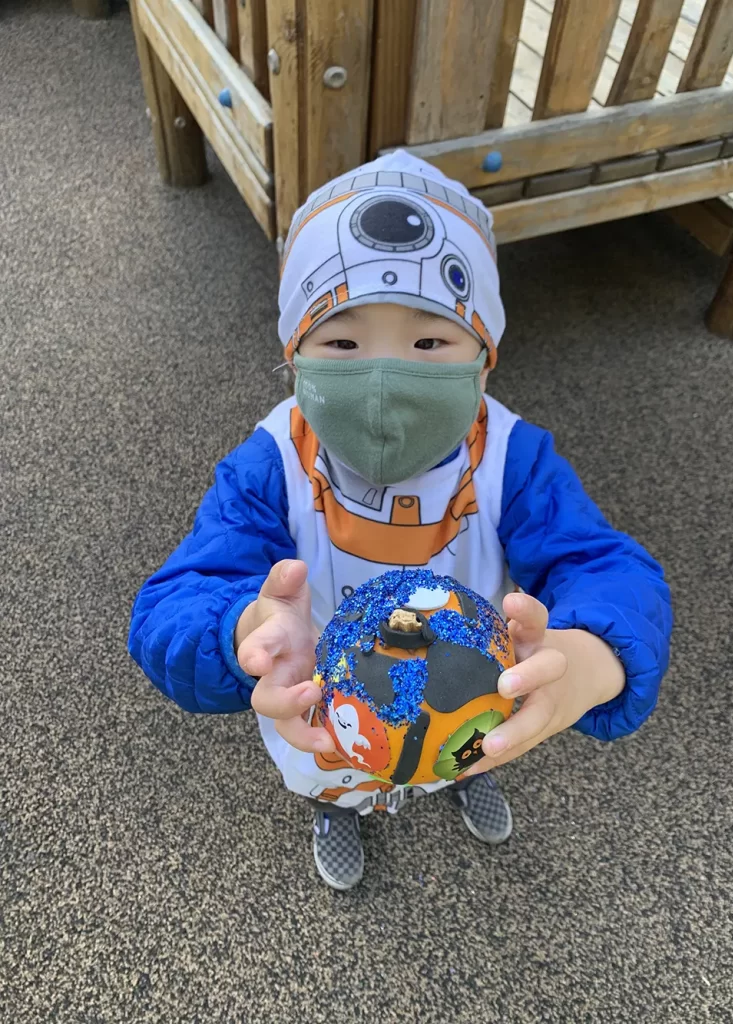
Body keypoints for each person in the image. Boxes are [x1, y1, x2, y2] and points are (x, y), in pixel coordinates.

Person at [129, 150, 672, 891]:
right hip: (326, 710)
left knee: (465, 744)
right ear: (295, 360)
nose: (385, 380)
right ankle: (339, 812)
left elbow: (606, 567)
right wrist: (242, 629)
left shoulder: (513, 457)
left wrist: (593, 658)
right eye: (343, 344)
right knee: (335, 769)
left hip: (467, 686)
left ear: (485, 361)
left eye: (429, 343)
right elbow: (172, 602)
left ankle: (460, 774)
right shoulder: (271, 462)